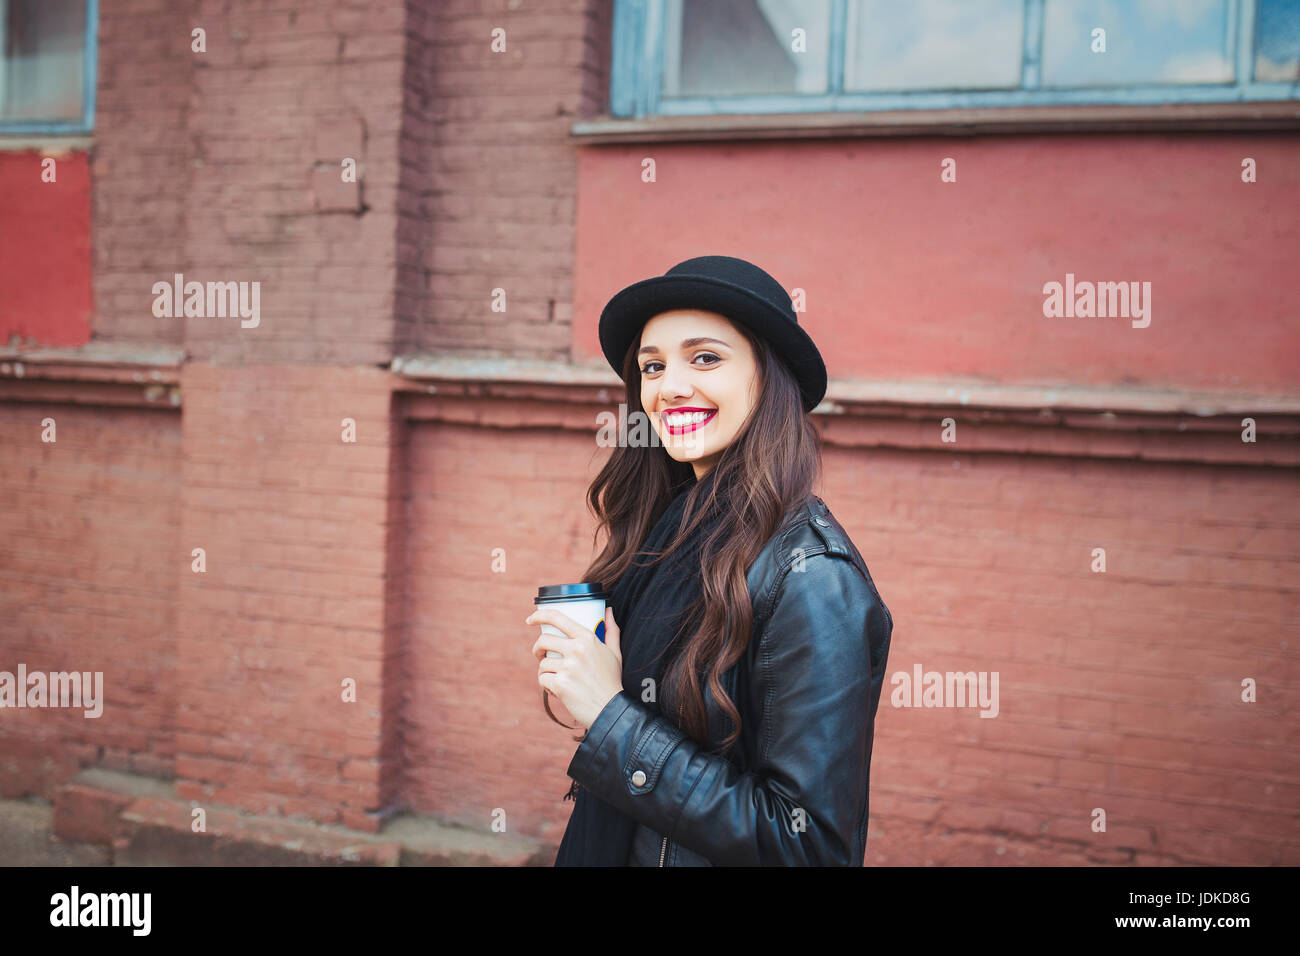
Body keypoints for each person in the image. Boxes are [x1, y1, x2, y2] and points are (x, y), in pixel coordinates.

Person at [526, 255, 893, 866]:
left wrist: (610, 715)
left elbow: (807, 847)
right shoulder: (669, 538)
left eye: (705, 358)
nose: (669, 386)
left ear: (770, 378)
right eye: (652, 365)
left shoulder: (813, 580)